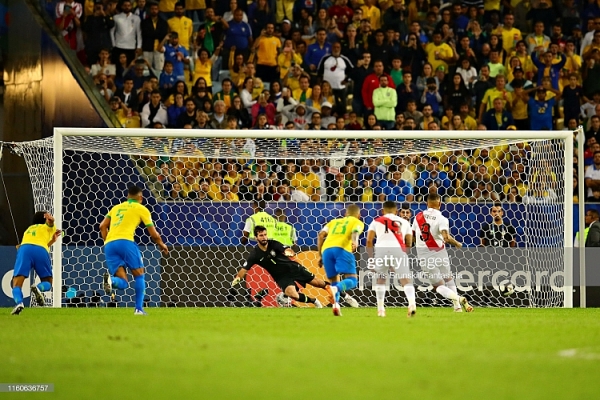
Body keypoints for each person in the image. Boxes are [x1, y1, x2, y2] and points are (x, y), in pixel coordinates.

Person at [99, 186, 169, 315]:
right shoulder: (142, 209)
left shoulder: (116, 208)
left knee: (123, 283)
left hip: (109, 244)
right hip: (126, 242)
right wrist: (161, 244)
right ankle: (138, 309)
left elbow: (102, 226)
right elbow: (154, 234)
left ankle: (111, 281)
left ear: (127, 196)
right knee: (139, 275)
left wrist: (107, 242)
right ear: (141, 197)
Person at [232, 226, 325, 308]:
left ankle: (335, 291)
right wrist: (236, 281)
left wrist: (288, 252)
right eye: (261, 235)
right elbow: (243, 270)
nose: (264, 237)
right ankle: (314, 301)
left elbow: (287, 249)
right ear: (256, 238)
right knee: (293, 295)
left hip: (292, 268)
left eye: (265, 235)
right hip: (281, 277)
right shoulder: (255, 254)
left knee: (318, 283)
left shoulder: (273, 244)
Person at [412, 194, 473, 313]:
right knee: (449, 278)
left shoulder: (418, 217)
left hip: (424, 255)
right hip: (440, 253)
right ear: (439, 204)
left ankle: (459, 299)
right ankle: (457, 307)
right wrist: (457, 244)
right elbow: (446, 237)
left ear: (427, 203)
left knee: (438, 286)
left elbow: (413, 237)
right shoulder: (442, 219)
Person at [366, 201, 415, 318]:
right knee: (406, 281)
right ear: (397, 211)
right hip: (398, 250)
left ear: (382, 211)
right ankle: (412, 304)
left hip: (381, 250)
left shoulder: (376, 221)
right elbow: (409, 242)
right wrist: (403, 254)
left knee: (381, 279)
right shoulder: (404, 222)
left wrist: (371, 259)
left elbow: (369, 240)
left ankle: (381, 309)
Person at [10, 212, 62, 315]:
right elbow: (50, 225)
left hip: (25, 249)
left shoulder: (29, 229)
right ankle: (38, 288)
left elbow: (31, 243)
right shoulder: (47, 227)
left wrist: (52, 241)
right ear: (44, 219)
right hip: (41, 250)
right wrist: (51, 220)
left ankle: (19, 303)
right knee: (48, 281)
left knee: (16, 283)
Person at [317, 204, 364, 316]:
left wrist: (320, 255)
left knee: (334, 280)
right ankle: (336, 289)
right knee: (352, 280)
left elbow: (321, 235)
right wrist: (355, 242)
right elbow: (355, 232)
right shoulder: (357, 222)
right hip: (342, 249)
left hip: (326, 250)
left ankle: (336, 305)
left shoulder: (333, 222)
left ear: (345, 214)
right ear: (359, 215)